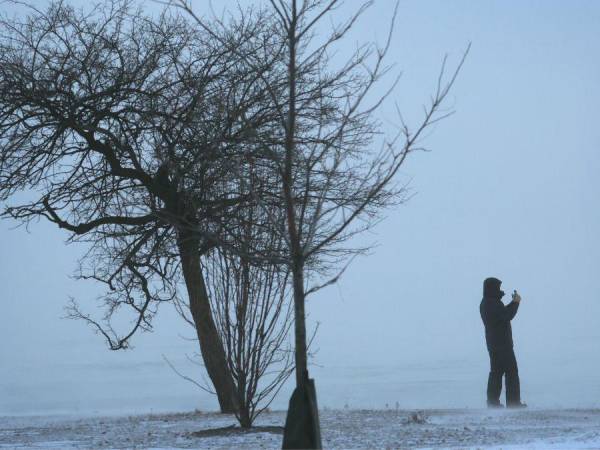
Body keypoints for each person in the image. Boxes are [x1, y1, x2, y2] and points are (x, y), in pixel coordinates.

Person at [479, 277, 526, 408]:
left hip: (494, 344)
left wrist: (513, 302)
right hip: (502, 344)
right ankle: (513, 403)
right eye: (498, 287)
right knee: (511, 372)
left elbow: (503, 313)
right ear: (492, 288)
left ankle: (493, 403)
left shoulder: (487, 303)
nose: (500, 290)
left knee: (496, 373)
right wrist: (516, 303)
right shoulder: (491, 303)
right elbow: (506, 315)